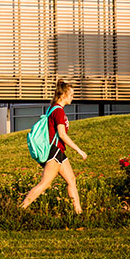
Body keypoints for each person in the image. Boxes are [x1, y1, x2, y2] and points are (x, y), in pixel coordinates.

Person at [20, 80, 88, 214]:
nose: (72, 97)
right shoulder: (58, 111)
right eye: (71, 95)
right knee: (45, 183)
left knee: (72, 180)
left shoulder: (53, 109)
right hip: (55, 151)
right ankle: (20, 209)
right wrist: (79, 150)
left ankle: (78, 213)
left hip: (59, 152)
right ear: (63, 95)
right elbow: (62, 134)